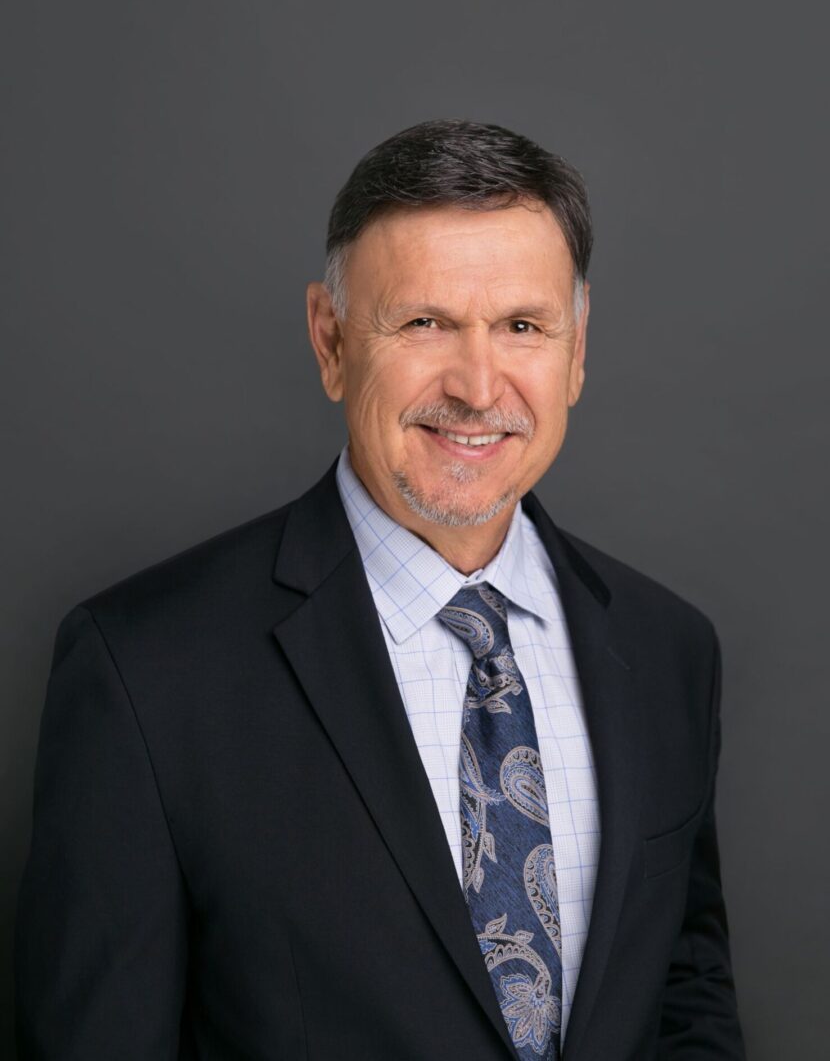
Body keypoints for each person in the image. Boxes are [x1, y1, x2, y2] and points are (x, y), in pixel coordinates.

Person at [14, 119, 745, 1060]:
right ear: (330, 340)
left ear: (577, 348)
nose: (479, 388)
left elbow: (686, 1001)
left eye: (523, 326)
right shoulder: (145, 674)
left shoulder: (668, 652)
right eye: (426, 323)